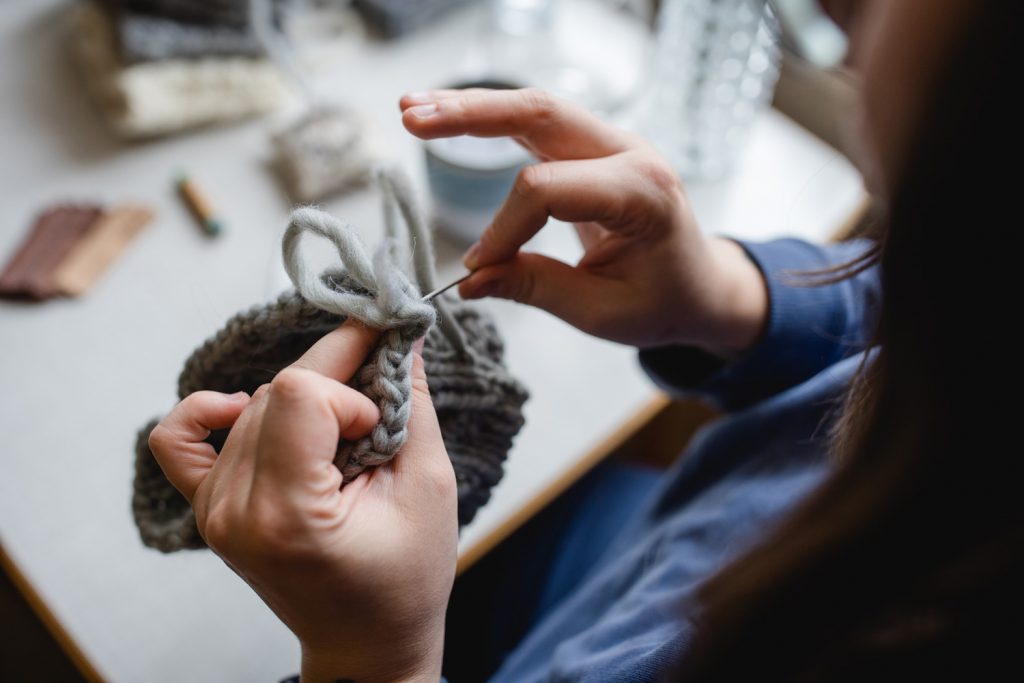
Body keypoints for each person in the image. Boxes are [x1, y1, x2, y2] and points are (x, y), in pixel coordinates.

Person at [147, 0, 1021, 680]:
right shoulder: (978, 274)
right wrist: (725, 295)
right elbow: (930, 303)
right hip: (642, 543)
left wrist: (371, 660)